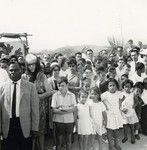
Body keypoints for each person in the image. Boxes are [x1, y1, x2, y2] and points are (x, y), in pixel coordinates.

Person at [0, 62, 39, 150]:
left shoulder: (30, 87)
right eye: (11, 70)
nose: (13, 72)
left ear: (21, 71)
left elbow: (35, 110)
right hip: (8, 126)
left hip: (24, 126)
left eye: (15, 70)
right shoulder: (2, 87)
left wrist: (34, 128)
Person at [22, 53, 51, 150]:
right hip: (28, 107)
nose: (31, 66)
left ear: (37, 64)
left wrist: (40, 96)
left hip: (40, 107)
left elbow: (50, 92)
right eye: (29, 64)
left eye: (33, 64)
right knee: (30, 131)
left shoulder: (42, 76)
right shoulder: (24, 77)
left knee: (41, 131)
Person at [51, 77, 77, 150]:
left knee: (69, 141)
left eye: (63, 85)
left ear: (67, 85)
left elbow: (75, 108)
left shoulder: (72, 95)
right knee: (59, 142)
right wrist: (68, 109)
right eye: (59, 86)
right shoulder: (55, 95)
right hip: (58, 121)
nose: (60, 87)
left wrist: (61, 109)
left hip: (69, 121)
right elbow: (54, 110)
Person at [101, 78, 123, 150]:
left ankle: (116, 144)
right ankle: (110, 146)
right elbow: (100, 101)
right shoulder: (105, 94)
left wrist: (120, 105)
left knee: (116, 131)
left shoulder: (119, 93)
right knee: (109, 132)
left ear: (116, 86)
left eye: (114, 85)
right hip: (109, 115)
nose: (112, 87)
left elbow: (121, 100)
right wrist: (105, 105)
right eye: (110, 85)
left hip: (117, 114)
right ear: (107, 86)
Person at [120, 79, 138, 144]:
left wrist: (134, 105)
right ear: (123, 86)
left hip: (131, 112)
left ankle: (132, 136)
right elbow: (119, 103)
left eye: (129, 86)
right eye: (126, 86)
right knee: (125, 125)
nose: (127, 88)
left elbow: (137, 101)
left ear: (131, 87)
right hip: (124, 112)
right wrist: (121, 109)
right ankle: (125, 137)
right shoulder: (121, 94)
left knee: (132, 125)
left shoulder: (132, 94)